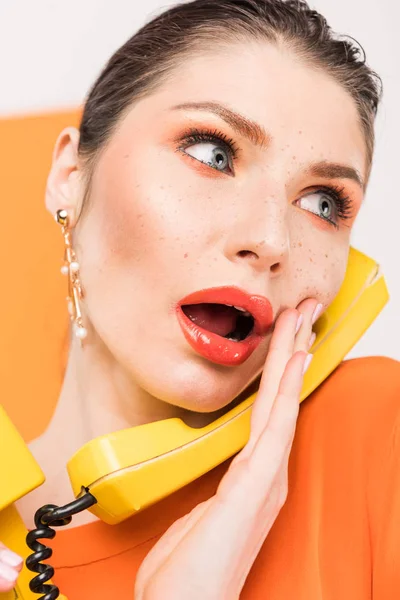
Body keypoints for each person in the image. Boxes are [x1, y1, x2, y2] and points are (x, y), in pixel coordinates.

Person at [1, 0, 399, 597]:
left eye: (323, 203)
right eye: (213, 153)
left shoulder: (376, 435)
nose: (270, 241)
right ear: (69, 175)